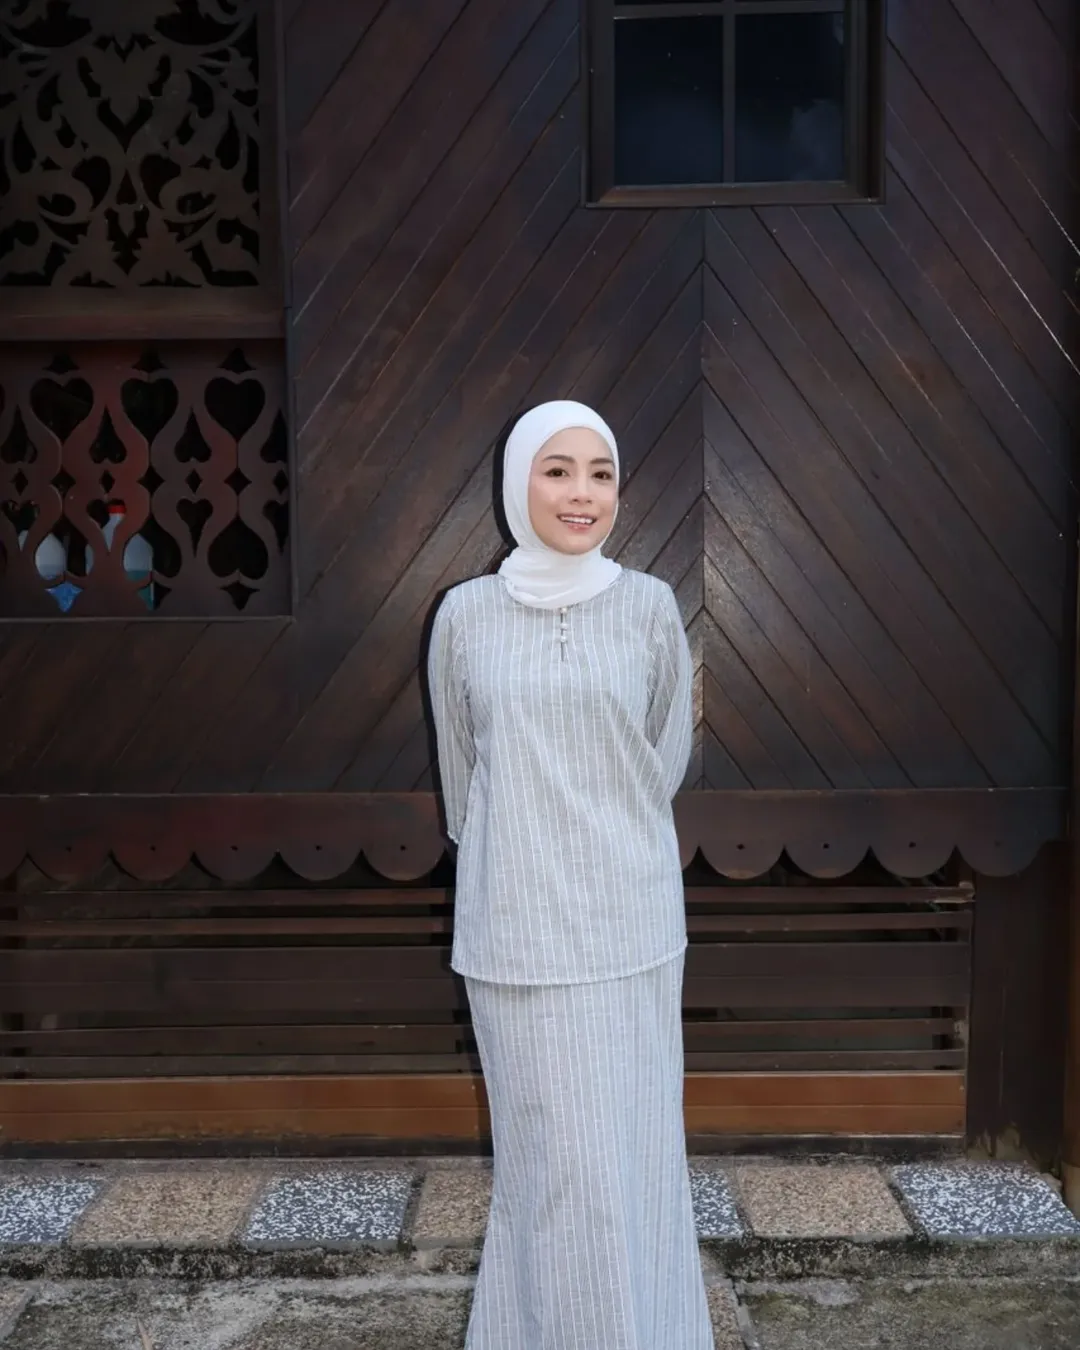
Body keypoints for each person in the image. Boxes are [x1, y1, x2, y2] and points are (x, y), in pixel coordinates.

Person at [427, 400, 712, 1350]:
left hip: (632, 931)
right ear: (518, 483)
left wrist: (604, 847)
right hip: (515, 936)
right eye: (557, 469)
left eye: (600, 472)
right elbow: (462, 778)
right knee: (549, 1171)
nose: (581, 492)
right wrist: (525, 860)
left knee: (636, 1158)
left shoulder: (650, 608)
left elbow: (660, 761)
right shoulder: (464, 617)